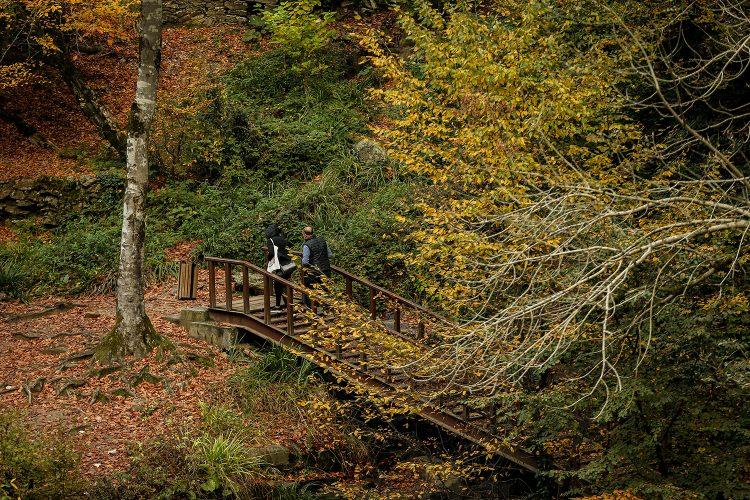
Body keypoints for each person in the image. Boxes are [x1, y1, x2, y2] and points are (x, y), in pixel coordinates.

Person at [264, 224, 296, 311]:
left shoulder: (271, 240)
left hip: (280, 265)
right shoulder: (283, 239)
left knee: (278, 285)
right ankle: (289, 305)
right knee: (286, 284)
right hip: (288, 264)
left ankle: (281, 306)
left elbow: (271, 253)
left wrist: (269, 260)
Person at [301, 225, 332, 308]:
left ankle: (312, 309)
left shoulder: (306, 245)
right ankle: (327, 309)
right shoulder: (323, 241)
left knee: (310, 290)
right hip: (326, 269)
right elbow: (330, 255)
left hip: (314, 272)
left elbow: (305, 262)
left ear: (305, 234)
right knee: (325, 289)